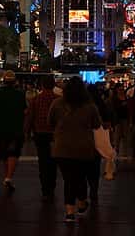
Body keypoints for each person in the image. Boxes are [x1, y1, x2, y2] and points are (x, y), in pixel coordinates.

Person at [48, 76, 102, 223]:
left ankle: (69, 211)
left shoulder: (57, 104)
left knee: (68, 179)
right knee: (80, 177)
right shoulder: (90, 106)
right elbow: (97, 124)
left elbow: (50, 121)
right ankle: (82, 202)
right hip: (84, 147)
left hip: (62, 147)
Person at [0, 70, 28, 192]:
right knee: (14, 153)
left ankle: (7, 175)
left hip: (1, 128)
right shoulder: (20, 94)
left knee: (4, 153)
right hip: (16, 127)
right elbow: (25, 111)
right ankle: (9, 176)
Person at [26, 75, 59, 199]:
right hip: (55, 135)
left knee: (43, 162)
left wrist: (27, 132)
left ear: (42, 85)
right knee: (53, 162)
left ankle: (45, 189)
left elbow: (30, 117)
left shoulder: (36, 100)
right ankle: (52, 186)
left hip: (40, 133)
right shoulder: (58, 100)